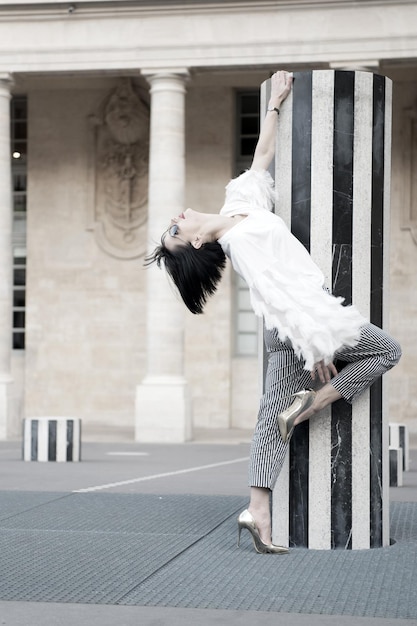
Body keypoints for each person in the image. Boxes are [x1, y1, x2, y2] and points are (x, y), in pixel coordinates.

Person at [145, 70, 401, 554]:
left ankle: (256, 510)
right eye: (174, 232)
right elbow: (279, 294)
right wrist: (318, 342)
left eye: (171, 226)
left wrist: (275, 104)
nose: (175, 220)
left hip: (291, 328)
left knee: (271, 418)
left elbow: (261, 160)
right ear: (197, 242)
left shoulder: (239, 207)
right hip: (300, 323)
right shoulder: (239, 242)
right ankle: (318, 402)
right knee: (386, 350)